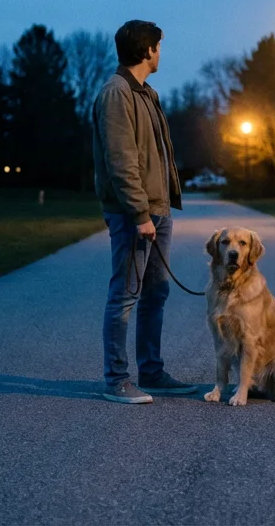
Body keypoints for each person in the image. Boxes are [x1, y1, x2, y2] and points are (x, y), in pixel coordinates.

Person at [92, 20, 196, 403]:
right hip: (134, 214)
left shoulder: (145, 93)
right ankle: (117, 380)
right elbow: (121, 161)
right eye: (159, 46)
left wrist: (159, 208)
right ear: (147, 49)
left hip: (157, 208)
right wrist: (139, 215)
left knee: (157, 292)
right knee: (125, 295)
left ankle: (150, 372)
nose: (161, 53)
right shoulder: (116, 94)